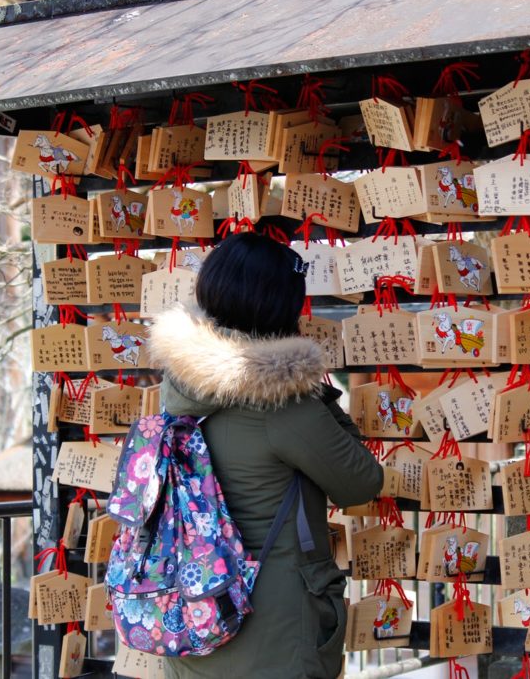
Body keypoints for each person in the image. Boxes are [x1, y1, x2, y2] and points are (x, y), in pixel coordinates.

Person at [148, 233, 384, 679]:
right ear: (280, 308)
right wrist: (318, 392)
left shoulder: (178, 385)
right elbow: (361, 482)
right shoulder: (284, 403)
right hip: (272, 627)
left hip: (194, 614)